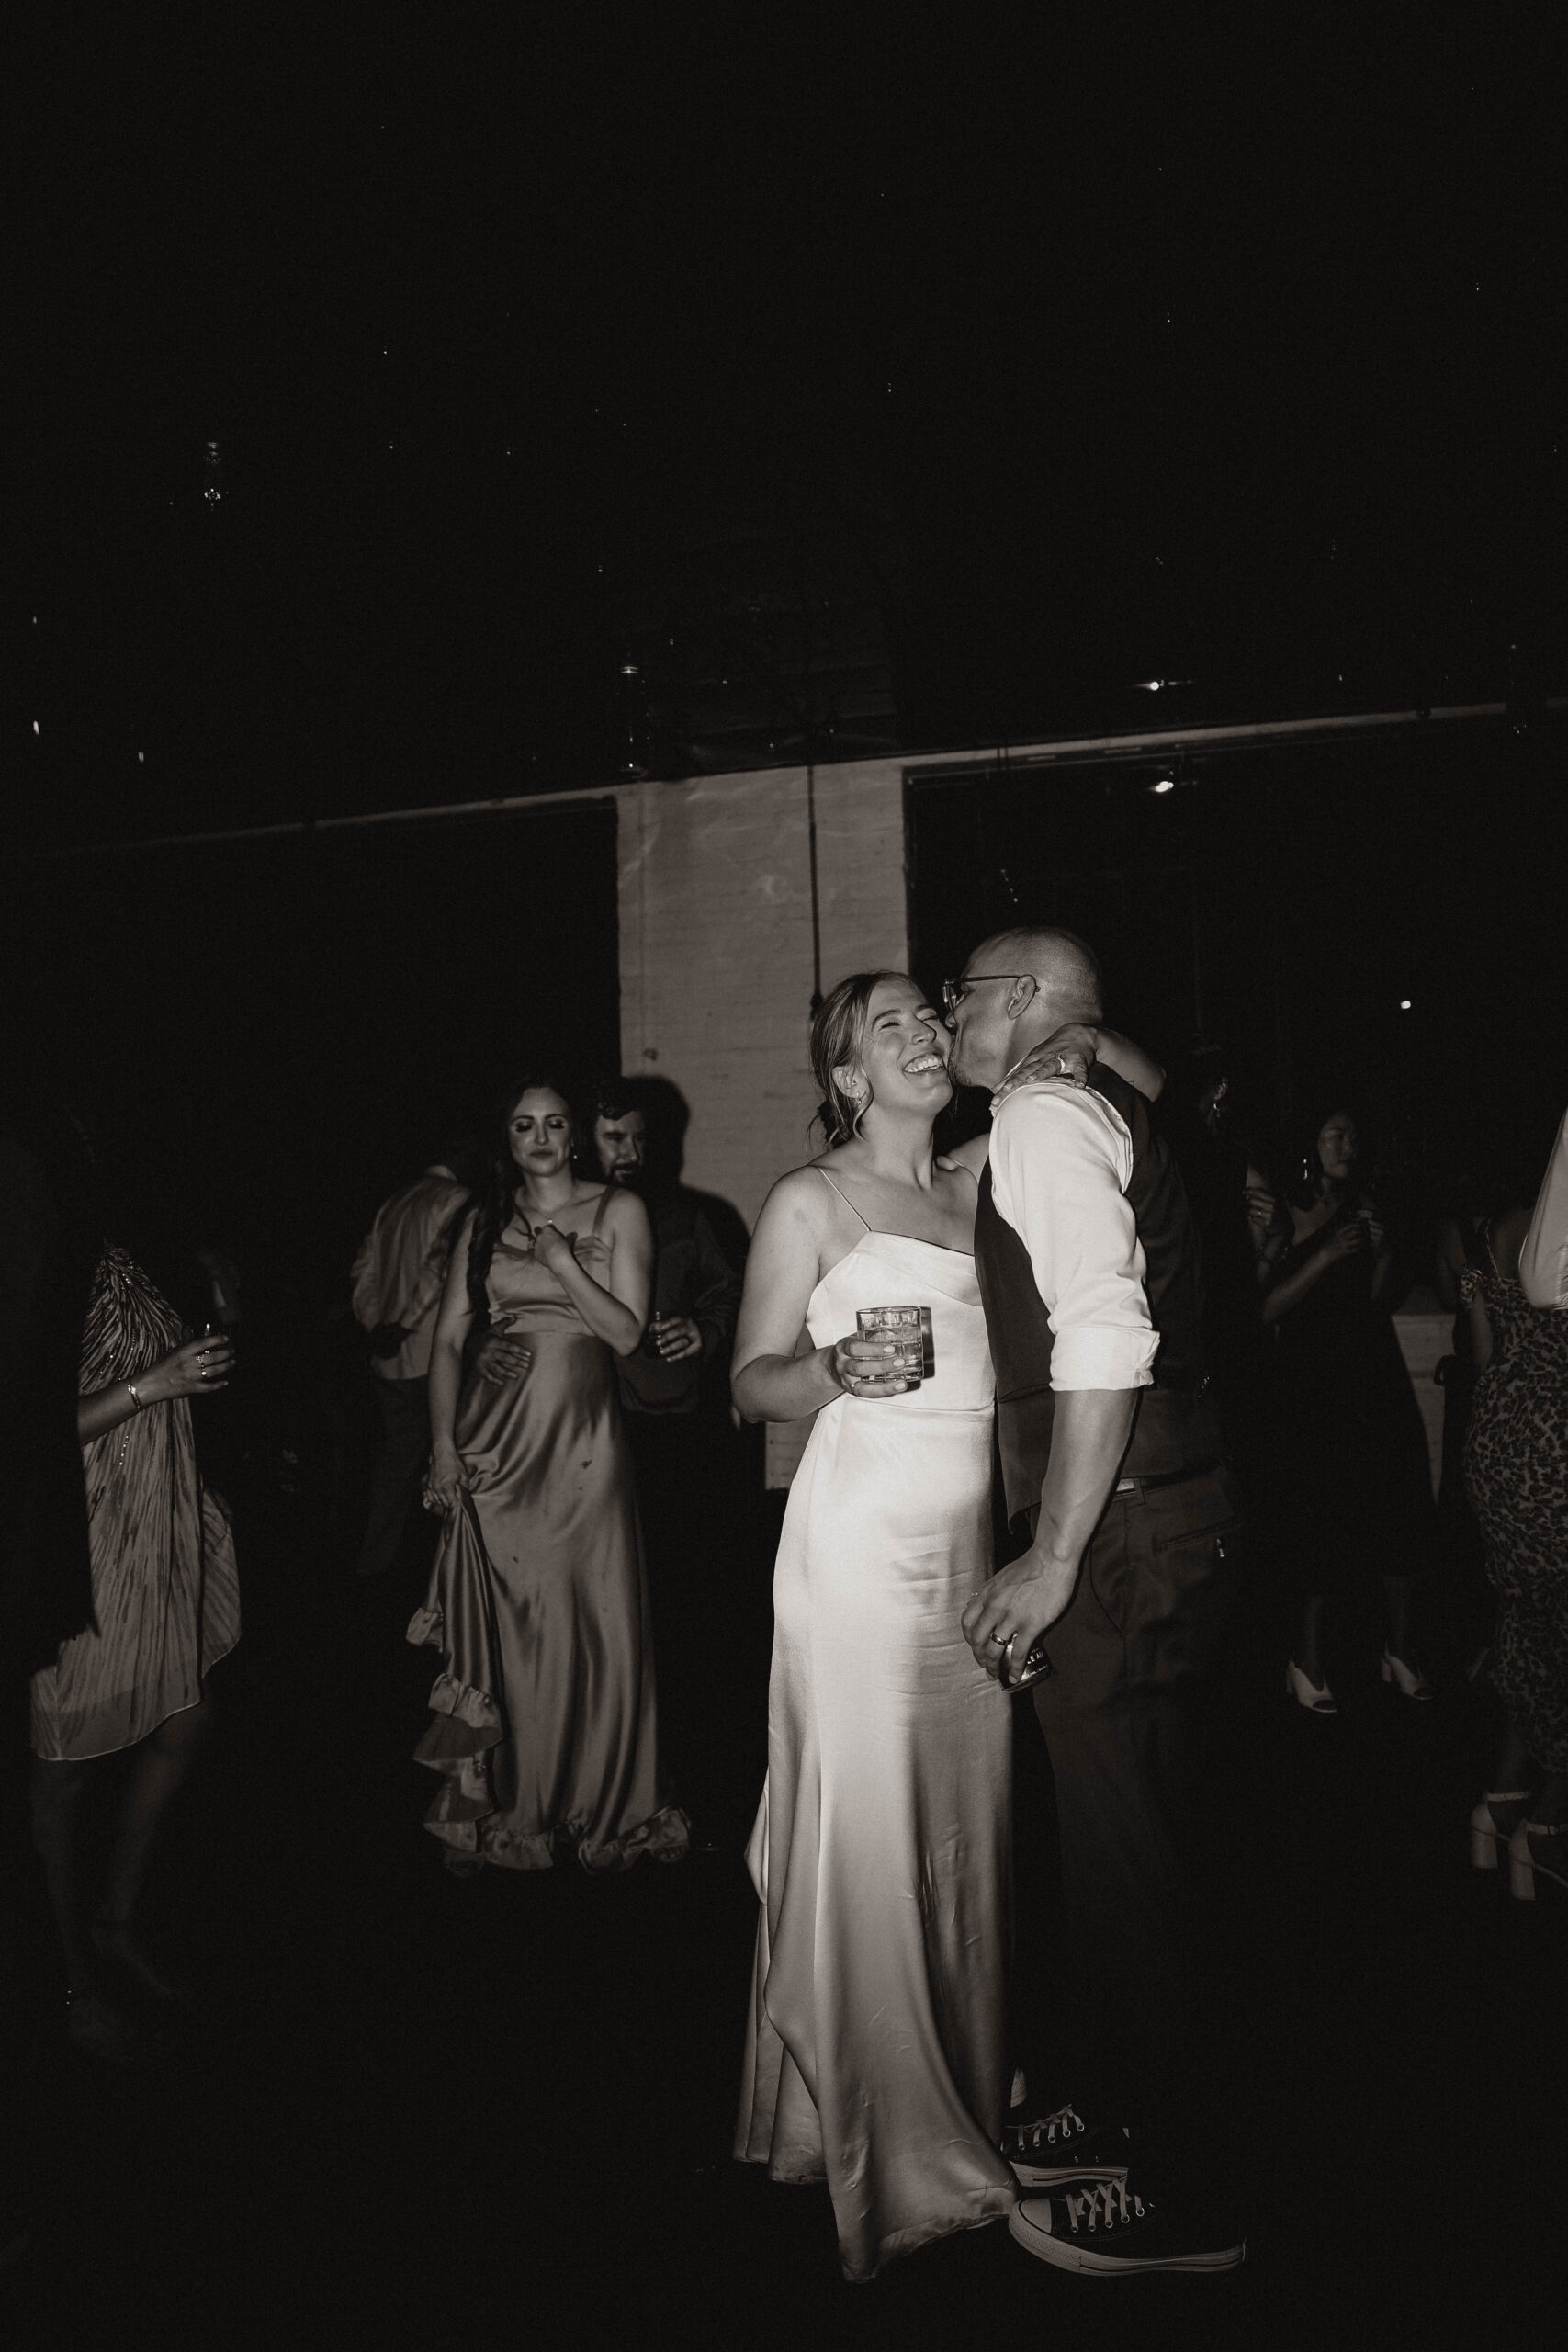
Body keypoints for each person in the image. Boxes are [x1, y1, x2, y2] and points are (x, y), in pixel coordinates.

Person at [730, 969, 1160, 2281]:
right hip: (854, 1559)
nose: (920, 1032)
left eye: (932, 1012)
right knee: (868, 1843)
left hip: (968, 1563)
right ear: (848, 1075)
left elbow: (1142, 1093)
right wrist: (823, 1372)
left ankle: (951, 2095)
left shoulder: (981, 1185)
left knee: (960, 1845)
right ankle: (892, 2143)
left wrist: (1073, 1018)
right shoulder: (808, 1198)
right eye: (888, 1027)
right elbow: (749, 1389)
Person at [947, 926, 1247, 2278]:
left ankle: (1182, 2192)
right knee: (1126, 1838)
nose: (952, 1013)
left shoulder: (1042, 1113)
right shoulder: (1095, 1096)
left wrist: (1054, 1551)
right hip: (1161, 1512)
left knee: (1126, 1864)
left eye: (961, 992)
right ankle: (1121, 2106)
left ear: (1017, 1002)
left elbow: (1105, 1334)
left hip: (1117, 1533)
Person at [409, 1077, 689, 1873]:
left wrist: (564, 1265)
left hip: (585, 1450)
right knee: (516, 1628)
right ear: (507, 1138)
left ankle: (610, 1805)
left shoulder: (615, 1211)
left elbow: (627, 1333)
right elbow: (448, 1344)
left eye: (553, 1123)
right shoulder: (481, 1220)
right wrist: (442, 1447)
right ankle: (522, 1800)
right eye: (522, 1124)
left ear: (575, 1136)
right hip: (495, 1447)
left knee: (598, 1619)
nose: (538, 1137)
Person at [479, 1077, 742, 1828]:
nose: (628, 1152)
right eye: (612, 1138)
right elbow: (498, 1304)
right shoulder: (540, 1214)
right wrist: (484, 1353)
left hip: (664, 1426)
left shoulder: (684, 1214)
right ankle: (564, 1771)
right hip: (571, 1436)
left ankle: (668, 1779)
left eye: (638, 1137)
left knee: (676, 1608)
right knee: (581, 1612)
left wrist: (705, 1331)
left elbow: (730, 1295)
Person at [29, 1245, 241, 2060]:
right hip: (74, 1550)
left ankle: (114, 1922)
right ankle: (72, 1985)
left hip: (147, 1524)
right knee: (60, 1783)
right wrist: (158, 1383)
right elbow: (27, 1423)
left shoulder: (108, 1245)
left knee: (185, 1724)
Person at [1263, 1102, 1436, 1711]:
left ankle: (1400, 1650)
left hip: (1371, 1372)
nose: (1347, 1145)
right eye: (1335, 1134)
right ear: (1308, 1143)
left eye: (1352, 1135)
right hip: (1310, 1384)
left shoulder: (1362, 1209)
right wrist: (1324, 1254)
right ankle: (1305, 1661)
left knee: (1400, 1507)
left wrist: (1382, 1255)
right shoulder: (1280, 1213)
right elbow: (1262, 1311)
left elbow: (1373, 1301)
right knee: (1319, 1521)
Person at [1461, 1159, 1568, 1899]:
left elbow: (1483, 1358)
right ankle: (1549, 1824)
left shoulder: (1497, 1235)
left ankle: (1497, 1807)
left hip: (1498, 1436)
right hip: (1555, 1442)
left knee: (1528, 1624)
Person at [349, 1151, 474, 1578]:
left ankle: (377, 1564)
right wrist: (400, 1326)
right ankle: (441, 1572)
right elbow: (439, 1271)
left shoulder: (395, 1202)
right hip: (431, 1356)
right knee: (446, 1460)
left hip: (389, 1356)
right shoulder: (458, 1199)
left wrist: (374, 1324)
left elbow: (362, 1270)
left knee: (394, 1466)